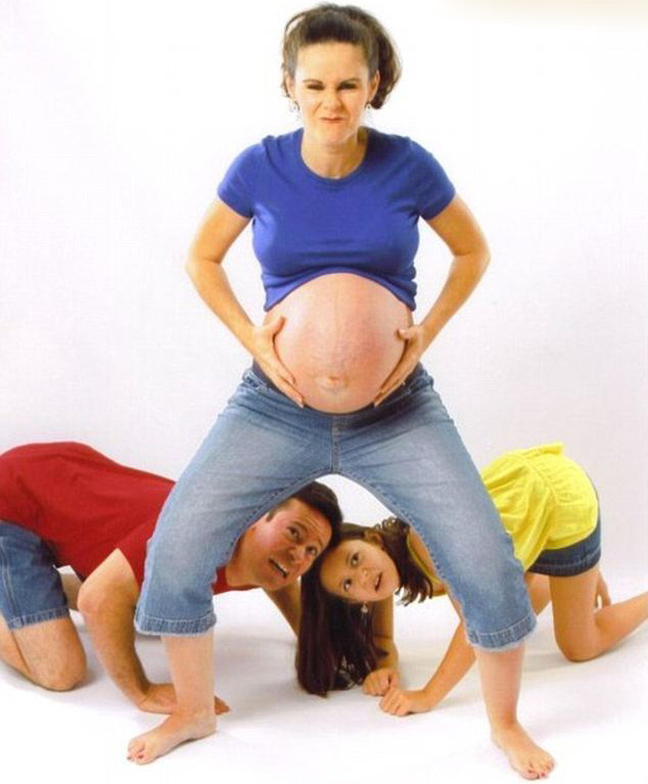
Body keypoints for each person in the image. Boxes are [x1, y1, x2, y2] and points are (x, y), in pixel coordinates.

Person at [132, 5, 553, 777]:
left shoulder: (408, 165)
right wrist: (253, 337)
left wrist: (424, 331)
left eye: (349, 85)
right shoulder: (259, 167)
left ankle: (505, 724)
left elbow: (472, 251)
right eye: (316, 85)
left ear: (375, 85)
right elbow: (202, 259)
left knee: (484, 558)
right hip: (276, 406)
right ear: (290, 85)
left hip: (397, 410)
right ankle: (192, 710)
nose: (332, 102)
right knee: (179, 543)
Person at [298, 444, 648, 719]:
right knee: (514, 610)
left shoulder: (425, 544)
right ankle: (578, 575)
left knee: (579, 646)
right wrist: (386, 668)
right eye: (348, 584)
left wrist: (428, 695)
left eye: (355, 559)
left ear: (373, 539)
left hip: (559, 501)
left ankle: (584, 570)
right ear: (357, 602)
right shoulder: (383, 572)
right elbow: (382, 638)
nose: (362, 575)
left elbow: (475, 624)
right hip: (523, 511)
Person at [0, 441, 340, 714]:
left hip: (62, 484)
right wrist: (142, 692)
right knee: (61, 672)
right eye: (294, 533)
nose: (298, 557)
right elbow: (95, 601)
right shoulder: (191, 541)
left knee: (140, 608)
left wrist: (314, 639)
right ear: (256, 518)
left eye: (312, 551)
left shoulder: (266, 557)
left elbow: (282, 583)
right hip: (15, 498)